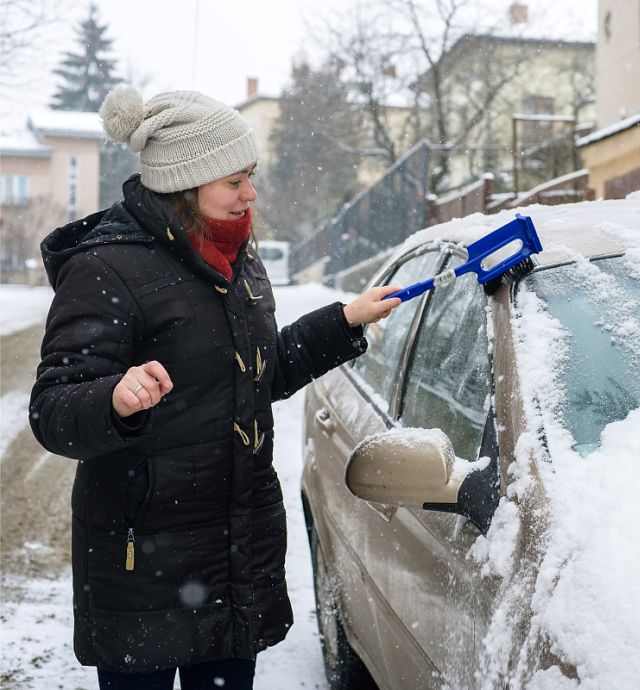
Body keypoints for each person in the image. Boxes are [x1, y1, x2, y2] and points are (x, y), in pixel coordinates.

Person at [28, 86, 402, 689]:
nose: (250, 193)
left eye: (249, 175)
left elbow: (257, 375)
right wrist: (113, 399)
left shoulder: (237, 257)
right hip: (143, 564)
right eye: (235, 180)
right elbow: (51, 410)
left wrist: (344, 321)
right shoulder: (107, 267)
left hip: (234, 554)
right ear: (186, 182)